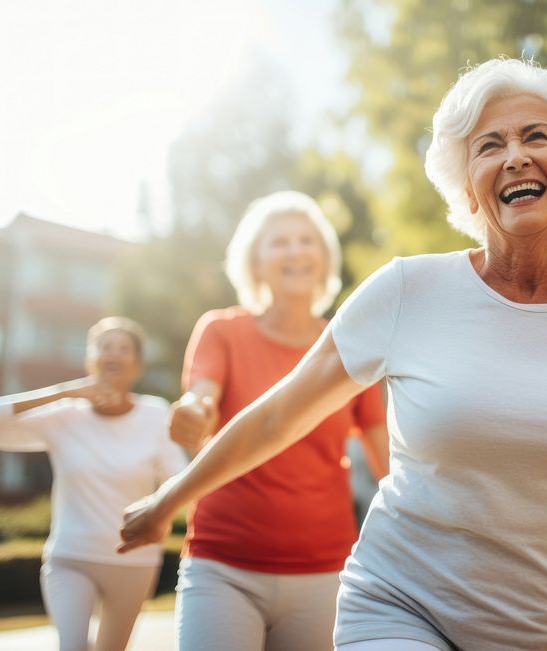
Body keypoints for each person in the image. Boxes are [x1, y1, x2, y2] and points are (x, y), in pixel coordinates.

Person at [119, 58, 547, 651]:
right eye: (489, 146)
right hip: (398, 602)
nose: (515, 156)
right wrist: (166, 500)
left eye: (538, 136)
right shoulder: (407, 290)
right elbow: (276, 417)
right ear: (470, 188)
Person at [164, 190, 388, 651]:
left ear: (324, 258)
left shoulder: (349, 345)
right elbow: (202, 396)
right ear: (256, 261)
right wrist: (192, 411)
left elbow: (387, 462)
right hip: (222, 566)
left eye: (305, 240)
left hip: (324, 572)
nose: (294, 250)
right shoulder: (222, 330)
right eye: (279, 241)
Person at [0, 317, 187, 651]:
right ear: (90, 359)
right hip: (71, 558)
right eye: (104, 346)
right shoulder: (62, 415)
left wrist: (161, 513)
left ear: (136, 364)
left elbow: (180, 477)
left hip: (134, 561)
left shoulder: (155, 413)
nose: (113, 354)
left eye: (124, 348)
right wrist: (64, 391)